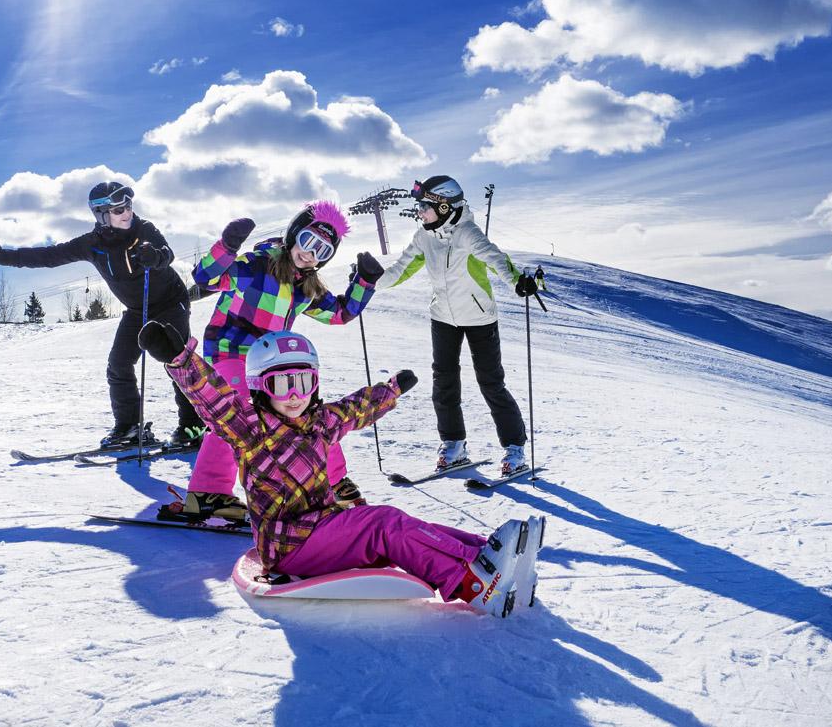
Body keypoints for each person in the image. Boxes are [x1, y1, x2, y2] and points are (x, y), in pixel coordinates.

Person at [138, 322, 542, 615]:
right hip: (289, 545)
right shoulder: (249, 428)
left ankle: (485, 553)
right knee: (384, 523)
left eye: (304, 382)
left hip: (324, 528)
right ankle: (471, 585)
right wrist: (180, 358)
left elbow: (355, 408)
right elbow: (213, 398)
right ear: (260, 386)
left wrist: (392, 389)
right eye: (282, 385)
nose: (295, 395)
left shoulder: (319, 421)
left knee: (395, 521)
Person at [180, 200, 384, 521]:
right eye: (307, 241)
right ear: (293, 235)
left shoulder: (306, 285)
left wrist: (364, 281)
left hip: (270, 361)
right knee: (240, 410)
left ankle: (332, 485)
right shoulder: (258, 265)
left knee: (302, 410)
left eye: (322, 250)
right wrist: (228, 246)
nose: (310, 253)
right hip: (231, 350)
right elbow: (207, 277)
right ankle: (209, 494)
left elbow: (341, 313)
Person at [0, 181, 205, 448]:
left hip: (170, 302)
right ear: (101, 215)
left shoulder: (144, 230)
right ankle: (130, 427)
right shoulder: (93, 244)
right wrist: (1, 257)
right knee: (118, 364)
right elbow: (49, 256)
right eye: (118, 209)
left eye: (128, 206)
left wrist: (155, 257)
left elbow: (165, 252)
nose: (126, 212)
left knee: (176, 362)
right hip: (137, 311)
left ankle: (194, 426)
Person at [377, 175, 538, 475]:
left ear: (444, 206)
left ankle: (515, 448)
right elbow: (401, 269)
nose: (419, 213)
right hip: (443, 319)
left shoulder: (468, 234)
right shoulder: (424, 237)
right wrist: (370, 281)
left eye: (424, 206)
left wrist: (518, 281)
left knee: (491, 383)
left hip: (479, 318)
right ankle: (454, 444)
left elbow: (496, 259)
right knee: (444, 382)